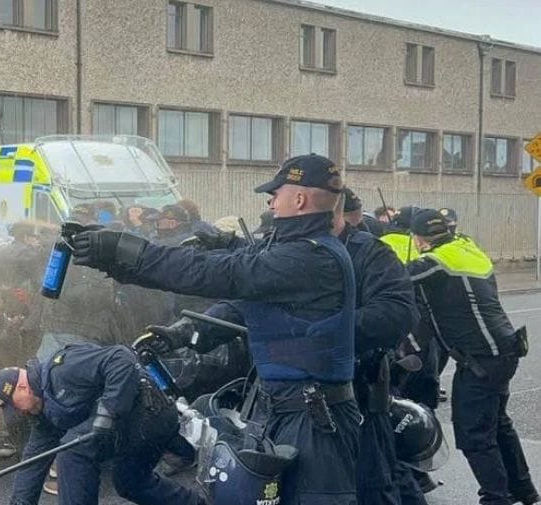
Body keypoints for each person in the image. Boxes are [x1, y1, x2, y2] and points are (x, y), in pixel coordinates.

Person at [71, 154, 361, 504]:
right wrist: (179, 333)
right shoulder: (299, 251)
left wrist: (125, 250)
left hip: (312, 420)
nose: (270, 201)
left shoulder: (309, 256)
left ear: (299, 199)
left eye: (276, 193)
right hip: (286, 410)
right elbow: (243, 305)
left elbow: (220, 273)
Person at [406, 209, 538, 505]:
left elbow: (401, 278)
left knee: (474, 434)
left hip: (481, 358)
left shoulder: (436, 262)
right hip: (503, 351)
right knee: (497, 424)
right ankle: (522, 489)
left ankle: (495, 498)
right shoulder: (466, 247)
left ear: (418, 239)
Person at [0, 343, 204, 505]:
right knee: (129, 482)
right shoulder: (43, 413)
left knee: (73, 452)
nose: (20, 412)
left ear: (21, 387)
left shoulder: (63, 367)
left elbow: (121, 357)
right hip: (132, 426)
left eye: (15, 406)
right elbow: (33, 463)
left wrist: (108, 410)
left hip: (150, 412)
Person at [334, 190, 426, 505]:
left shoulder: (368, 249)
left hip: (365, 379)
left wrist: (325, 330)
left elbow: (396, 313)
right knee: (386, 471)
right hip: (351, 381)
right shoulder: (306, 249)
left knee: (378, 478)